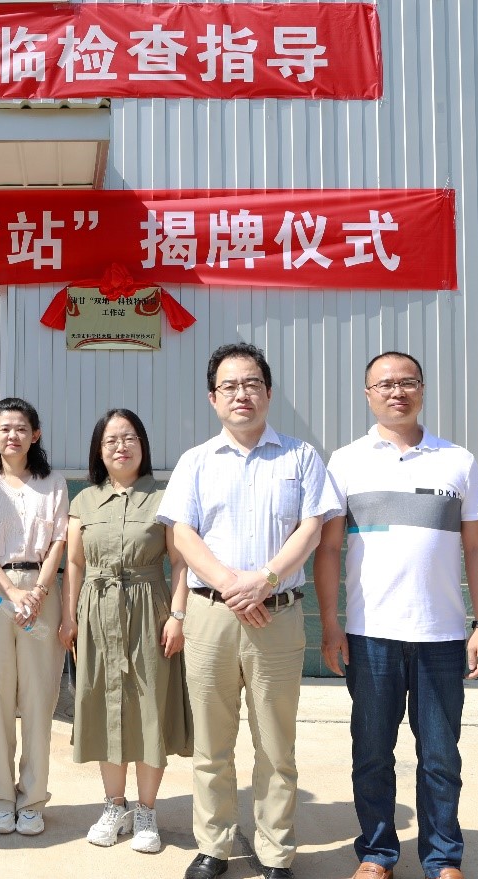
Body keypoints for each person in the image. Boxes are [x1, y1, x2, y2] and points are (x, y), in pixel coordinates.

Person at [156, 342, 337, 879]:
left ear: (269, 392)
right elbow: (182, 533)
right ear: (213, 398)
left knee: (276, 744)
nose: (242, 394)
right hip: (211, 615)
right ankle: (213, 846)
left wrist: (265, 580)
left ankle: (277, 851)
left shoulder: (301, 457)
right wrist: (233, 586)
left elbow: (312, 528)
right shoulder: (195, 461)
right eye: (229, 386)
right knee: (212, 744)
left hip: (276, 614)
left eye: (252, 383)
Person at [314, 352, 478, 879]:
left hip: (441, 636)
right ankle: (377, 854)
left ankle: (442, 859)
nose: (397, 392)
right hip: (369, 635)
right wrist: (331, 624)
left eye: (408, 382)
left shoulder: (457, 460)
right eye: (385, 384)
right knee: (372, 753)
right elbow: (328, 549)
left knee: (440, 756)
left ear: (422, 389)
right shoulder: (346, 461)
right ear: (368, 394)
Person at [59, 409, 192, 855]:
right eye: (111, 440)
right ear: (98, 450)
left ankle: (147, 811)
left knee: (149, 705)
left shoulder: (164, 498)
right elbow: (74, 564)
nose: (121, 446)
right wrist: (69, 617)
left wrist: (178, 616)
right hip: (97, 612)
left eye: (129, 437)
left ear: (143, 445)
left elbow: (180, 562)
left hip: (149, 610)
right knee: (104, 705)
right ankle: (114, 806)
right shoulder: (83, 501)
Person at [0, 397, 68, 836]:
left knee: (40, 696)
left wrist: (39, 592)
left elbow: (59, 542)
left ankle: (34, 799)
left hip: (43, 593)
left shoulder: (53, 482)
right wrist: (11, 592)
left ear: (35, 434)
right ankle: (3, 798)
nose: (13, 435)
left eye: (22, 428)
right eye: (5, 428)